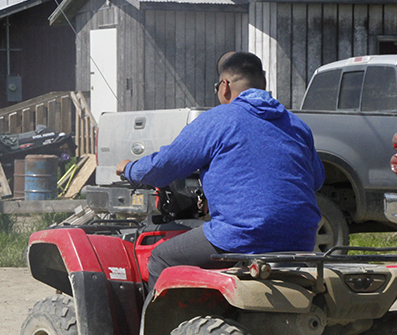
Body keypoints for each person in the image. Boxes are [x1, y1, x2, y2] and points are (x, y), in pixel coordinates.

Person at [116, 51, 324, 286]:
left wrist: (130, 169)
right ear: (263, 83)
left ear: (224, 86)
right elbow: (316, 180)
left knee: (161, 257)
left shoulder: (219, 119)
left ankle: (156, 323)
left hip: (242, 236)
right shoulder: (297, 125)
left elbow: (165, 166)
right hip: (302, 238)